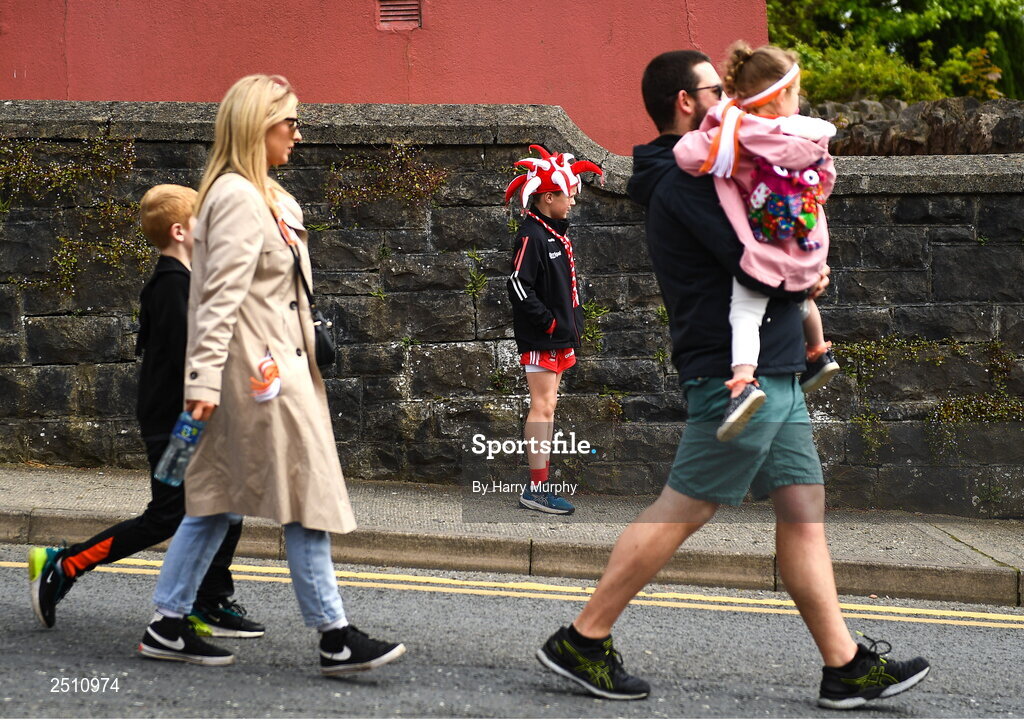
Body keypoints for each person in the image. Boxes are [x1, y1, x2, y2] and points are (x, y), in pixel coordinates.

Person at [534, 50, 931, 710]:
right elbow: (758, 261)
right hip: (733, 373)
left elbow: (778, 239)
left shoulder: (714, 166)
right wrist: (805, 268)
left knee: (803, 512)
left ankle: (844, 667)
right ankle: (582, 638)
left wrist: (805, 262)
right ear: (685, 104)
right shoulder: (685, 183)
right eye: (716, 89)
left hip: (775, 365)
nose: (731, 98)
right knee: (686, 505)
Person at [136, 74, 405, 673]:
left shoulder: (272, 197)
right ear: (259, 127)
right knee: (304, 494)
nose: (298, 134)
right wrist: (203, 383)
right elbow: (213, 300)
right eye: (290, 123)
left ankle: (167, 623)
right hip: (256, 378)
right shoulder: (235, 197)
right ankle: (334, 635)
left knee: (214, 503)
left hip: (279, 368)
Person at [27, 184, 263, 638]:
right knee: (167, 516)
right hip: (180, 427)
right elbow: (191, 359)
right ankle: (66, 565)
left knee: (228, 506)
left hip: (195, 422)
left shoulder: (187, 281)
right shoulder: (172, 284)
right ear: (180, 231)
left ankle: (209, 601)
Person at [674, 41, 841, 442]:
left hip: (764, 247)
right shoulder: (812, 134)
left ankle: (744, 382)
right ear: (783, 94)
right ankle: (818, 353)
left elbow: (686, 153)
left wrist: (720, 118)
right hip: (806, 246)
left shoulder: (737, 134)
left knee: (745, 314)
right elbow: (826, 182)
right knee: (803, 298)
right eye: (796, 91)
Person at [504, 145, 602, 515]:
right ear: (548, 197)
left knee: (548, 407)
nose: (573, 202)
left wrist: (570, 323)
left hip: (557, 335)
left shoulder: (553, 232)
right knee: (542, 408)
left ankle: (539, 486)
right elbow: (516, 284)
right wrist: (548, 322)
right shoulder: (532, 235)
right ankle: (536, 490)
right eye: (569, 195)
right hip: (542, 337)